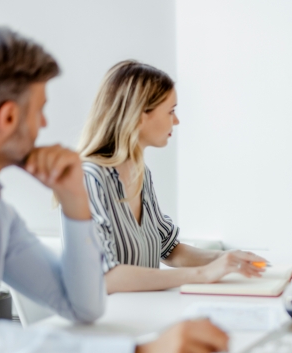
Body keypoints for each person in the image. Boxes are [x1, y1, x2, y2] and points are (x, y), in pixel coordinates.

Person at [0, 28, 227, 353]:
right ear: (9, 117)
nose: (44, 124)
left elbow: (83, 305)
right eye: (40, 111)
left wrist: (76, 202)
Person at [79, 61, 266, 294]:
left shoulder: (141, 173)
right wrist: (204, 274)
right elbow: (106, 276)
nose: (176, 121)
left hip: (143, 313)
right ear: (139, 116)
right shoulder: (89, 179)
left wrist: (228, 259)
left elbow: (170, 250)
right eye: (170, 111)